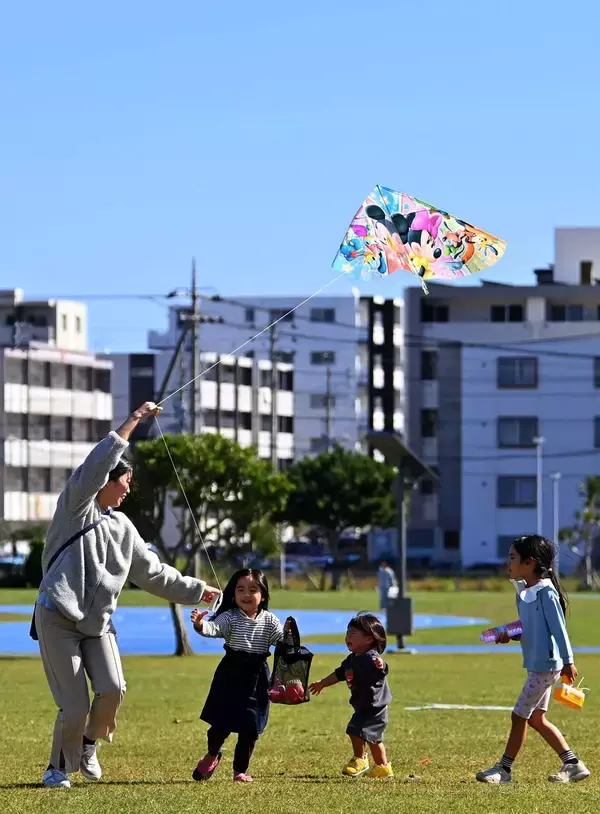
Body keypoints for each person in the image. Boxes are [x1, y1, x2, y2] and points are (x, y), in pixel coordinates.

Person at [34, 402, 220, 789]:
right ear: (105, 481)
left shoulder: (122, 527)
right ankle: (56, 769)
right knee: (74, 705)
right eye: (125, 481)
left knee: (113, 689)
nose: (128, 488)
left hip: (97, 623)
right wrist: (135, 420)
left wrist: (198, 591)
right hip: (57, 617)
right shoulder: (75, 509)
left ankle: (88, 744)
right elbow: (98, 463)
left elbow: (152, 573)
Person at [476, 535, 591, 785]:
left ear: (529, 563)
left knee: (519, 716)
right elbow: (531, 628)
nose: (508, 562)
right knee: (537, 719)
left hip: (545, 666)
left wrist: (568, 661)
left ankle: (504, 770)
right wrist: (510, 634)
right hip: (538, 664)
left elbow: (558, 629)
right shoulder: (525, 592)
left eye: (512, 557)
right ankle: (572, 764)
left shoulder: (546, 593)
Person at [190, 568, 290, 783]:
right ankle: (212, 753)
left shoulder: (270, 621)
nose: (246, 594)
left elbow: (283, 642)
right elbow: (212, 628)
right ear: (233, 594)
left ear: (263, 595)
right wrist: (199, 624)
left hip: (258, 677)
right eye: (241, 589)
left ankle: (240, 771)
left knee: (251, 728)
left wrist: (290, 636)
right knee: (220, 724)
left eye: (253, 590)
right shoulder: (230, 617)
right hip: (230, 674)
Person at [309, 613, 393, 779]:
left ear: (369, 639)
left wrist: (381, 664)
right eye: (347, 633)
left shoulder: (371, 657)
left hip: (374, 706)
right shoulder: (352, 659)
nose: (347, 637)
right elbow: (339, 674)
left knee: (354, 730)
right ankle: (383, 768)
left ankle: (360, 759)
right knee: (374, 739)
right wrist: (323, 683)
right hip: (364, 705)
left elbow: (382, 668)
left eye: (353, 633)